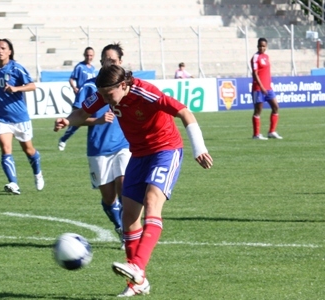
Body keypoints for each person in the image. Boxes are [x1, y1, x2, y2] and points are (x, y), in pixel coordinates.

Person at [54, 63, 213, 297]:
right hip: (138, 155)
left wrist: (198, 148)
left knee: (152, 202)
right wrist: (68, 120)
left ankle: (137, 267)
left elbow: (184, 111)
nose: (107, 100)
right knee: (128, 215)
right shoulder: (103, 94)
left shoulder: (144, 92)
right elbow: (81, 114)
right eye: (104, 95)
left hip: (165, 150)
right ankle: (137, 283)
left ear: (123, 84)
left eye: (110, 95)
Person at [71, 43, 130, 251]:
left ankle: (128, 233)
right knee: (108, 197)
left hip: (124, 145)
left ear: (120, 62)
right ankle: (119, 226)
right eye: (106, 60)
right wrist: (96, 121)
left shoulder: (126, 86)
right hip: (98, 148)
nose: (109, 63)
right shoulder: (90, 86)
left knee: (125, 188)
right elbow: (76, 118)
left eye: (113, 61)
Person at [0, 38, 44, 195]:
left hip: (20, 117)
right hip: (1, 117)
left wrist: (16, 88)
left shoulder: (17, 68)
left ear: (9, 51)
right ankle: (14, 183)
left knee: (29, 150)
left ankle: (37, 172)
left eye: (3, 48)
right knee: (6, 149)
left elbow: (32, 86)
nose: (0, 51)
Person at [58, 47, 97, 151]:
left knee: (96, 121)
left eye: (91, 55)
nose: (89, 57)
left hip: (93, 100)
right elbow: (71, 79)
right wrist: (74, 87)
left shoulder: (93, 68)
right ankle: (63, 139)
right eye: (87, 55)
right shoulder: (80, 67)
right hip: (82, 99)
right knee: (77, 122)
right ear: (84, 55)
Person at [250, 37, 282, 140]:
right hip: (258, 89)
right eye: (260, 46)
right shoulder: (255, 57)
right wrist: (262, 87)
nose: (261, 48)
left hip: (268, 88)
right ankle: (256, 135)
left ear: (266, 46)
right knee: (258, 111)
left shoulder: (266, 57)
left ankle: (271, 132)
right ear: (257, 46)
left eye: (263, 46)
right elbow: (255, 74)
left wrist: (268, 85)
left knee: (276, 107)